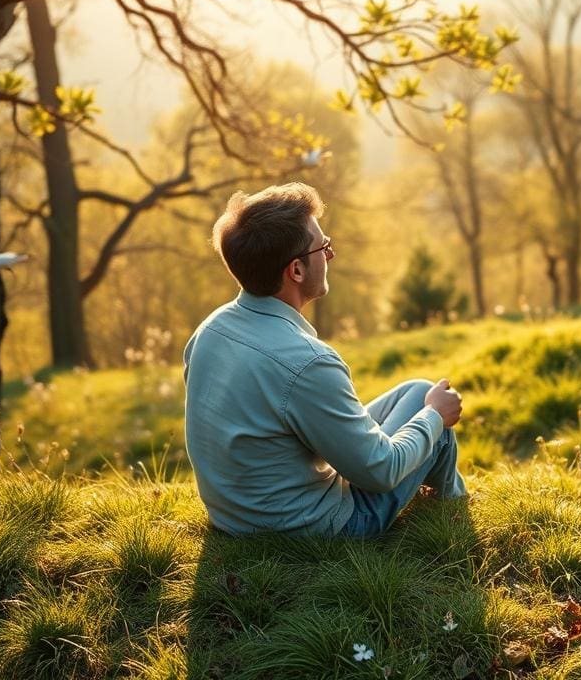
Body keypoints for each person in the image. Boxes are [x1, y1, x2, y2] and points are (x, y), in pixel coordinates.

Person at [183, 182, 467, 537]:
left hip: (233, 515)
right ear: (296, 271)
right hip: (310, 528)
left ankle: (443, 505)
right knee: (432, 416)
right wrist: (434, 417)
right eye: (324, 247)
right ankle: (453, 515)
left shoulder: (210, 331)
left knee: (416, 391)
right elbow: (381, 472)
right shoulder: (307, 363)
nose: (330, 256)